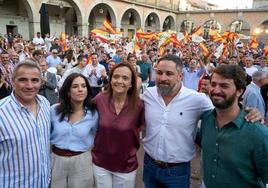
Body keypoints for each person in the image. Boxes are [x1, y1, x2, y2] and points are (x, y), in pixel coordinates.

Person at [142, 54, 261, 188]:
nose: (163, 78)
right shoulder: (148, 94)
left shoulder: (196, 99)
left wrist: (251, 112)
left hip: (177, 172)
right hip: (149, 166)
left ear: (180, 76)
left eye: (169, 73)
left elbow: (224, 109)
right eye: (159, 72)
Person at [200, 64, 268, 188]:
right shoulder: (206, 119)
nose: (216, 90)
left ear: (239, 91)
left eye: (224, 86)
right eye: (213, 84)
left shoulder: (258, 133)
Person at [92, 63, 144, 188]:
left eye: (125, 78)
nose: (120, 81)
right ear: (110, 80)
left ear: (131, 83)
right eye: (116, 77)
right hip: (100, 164)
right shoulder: (99, 100)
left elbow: (141, 129)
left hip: (126, 166)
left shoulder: (139, 105)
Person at [0, 60, 51, 187]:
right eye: (23, 80)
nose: (29, 86)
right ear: (13, 81)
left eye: (35, 80)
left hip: (44, 183)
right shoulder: (1, 112)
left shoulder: (45, 103)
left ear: (41, 82)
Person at [50, 73, 98, 188]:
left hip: (82, 161)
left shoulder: (93, 114)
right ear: (68, 91)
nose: (80, 89)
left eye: (83, 86)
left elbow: (98, 136)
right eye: (75, 86)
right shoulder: (54, 110)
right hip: (57, 160)